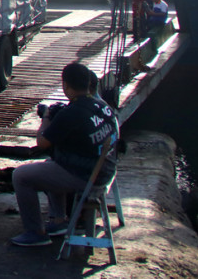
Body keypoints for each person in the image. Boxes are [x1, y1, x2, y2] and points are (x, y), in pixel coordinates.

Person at [10, 62, 118, 247]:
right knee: (51, 164)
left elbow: (42, 142)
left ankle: (36, 232)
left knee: (21, 176)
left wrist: (46, 116)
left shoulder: (71, 113)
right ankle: (58, 222)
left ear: (65, 85)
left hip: (88, 176)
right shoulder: (101, 106)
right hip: (106, 168)